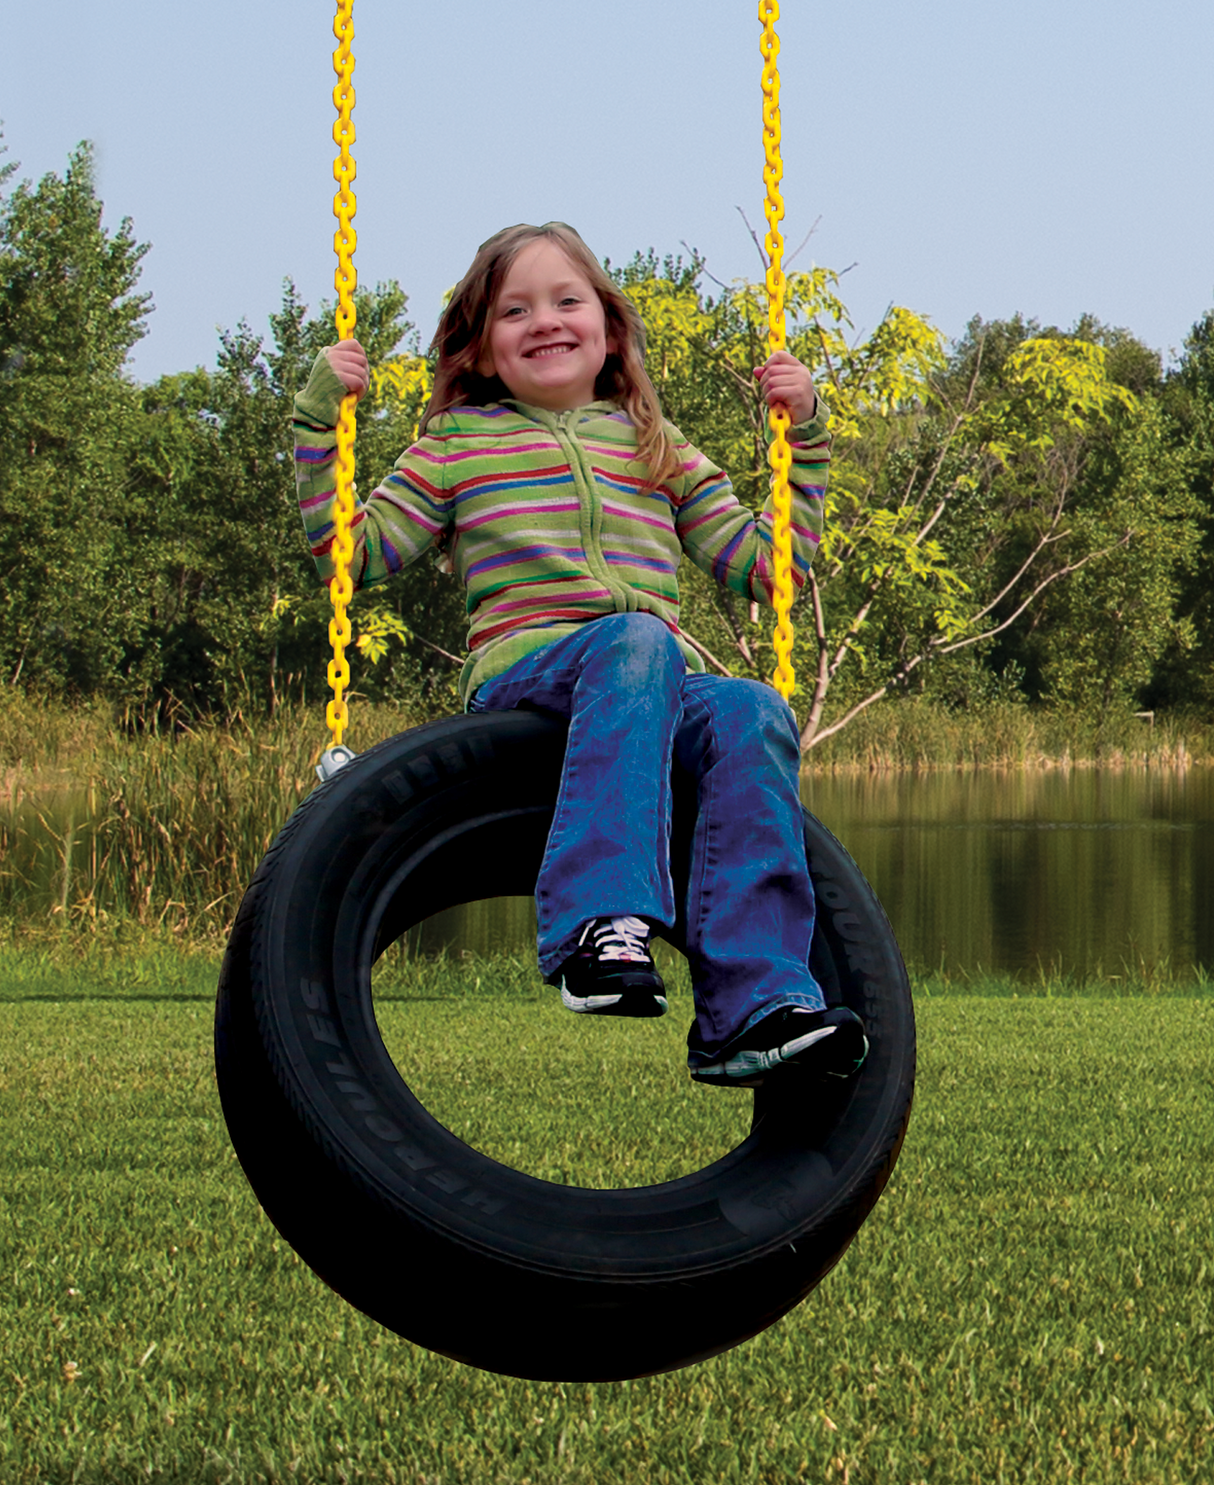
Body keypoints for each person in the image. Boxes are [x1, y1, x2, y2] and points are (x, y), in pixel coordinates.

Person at [292, 221, 866, 1087]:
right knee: (637, 640)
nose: (545, 321)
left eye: (568, 300)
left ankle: (750, 1007)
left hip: (648, 684)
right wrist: (317, 421)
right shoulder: (457, 446)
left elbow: (768, 568)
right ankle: (599, 929)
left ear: (608, 328)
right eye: (514, 309)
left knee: (751, 707)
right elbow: (352, 555)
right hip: (528, 681)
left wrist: (808, 436)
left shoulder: (656, 447)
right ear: (481, 350)